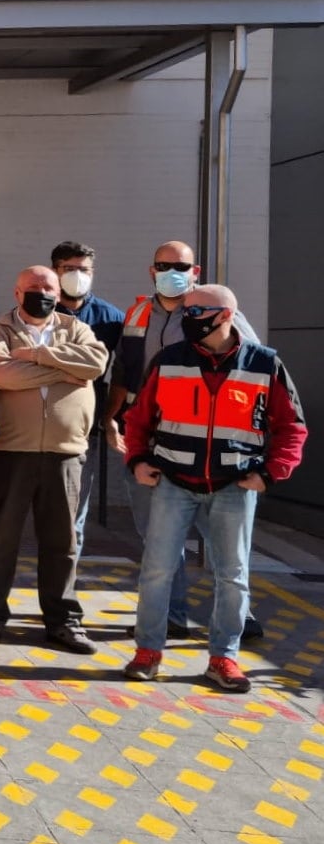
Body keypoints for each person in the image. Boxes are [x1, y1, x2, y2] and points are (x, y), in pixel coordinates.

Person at [122, 285, 306, 692]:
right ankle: (148, 652)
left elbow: (292, 426)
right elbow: (139, 418)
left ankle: (224, 657)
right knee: (156, 571)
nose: (186, 316)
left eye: (195, 310)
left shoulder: (264, 364)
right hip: (172, 482)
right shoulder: (169, 360)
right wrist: (137, 459)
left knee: (233, 576)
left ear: (223, 316)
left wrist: (271, 473)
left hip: (234, 487)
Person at [106, 241, 261, 640]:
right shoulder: (139, 312)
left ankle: (240, 616)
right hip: (151, 438)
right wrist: (112, 420)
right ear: (151, 270)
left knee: (222, 537)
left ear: (196, 270)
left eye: (181, 265)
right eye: (163, 265)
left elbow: (253, 370)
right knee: (157, 537)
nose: (171, 271)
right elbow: (123, 372)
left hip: (207, 445)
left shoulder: (213, 311)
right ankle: (172, 617)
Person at [0, 266, 111, 653]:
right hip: (13, 450)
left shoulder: (75, 327)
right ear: (17, 292)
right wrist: (63, 371)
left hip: (65, 452)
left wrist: (36, 355)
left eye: (48, 287)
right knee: (0, 540)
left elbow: (96, 364)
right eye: (33, 287)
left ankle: (63, 620)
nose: (41, 293)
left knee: (63, 541)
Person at [51, 241, 125, 562]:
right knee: (35, 516)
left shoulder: (110, 319)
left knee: (73, 516)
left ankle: (64, 589)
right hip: (35, 424)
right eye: (69, 269)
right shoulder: (39, 311)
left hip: (83, 430)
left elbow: (125, 372)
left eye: (84, 270)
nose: (77, 275)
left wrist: (110, 418)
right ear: (55, 270)